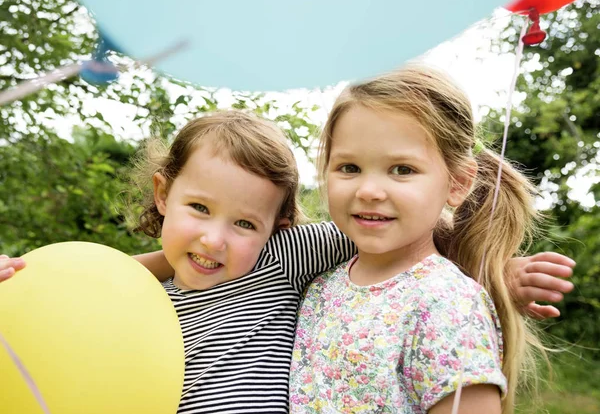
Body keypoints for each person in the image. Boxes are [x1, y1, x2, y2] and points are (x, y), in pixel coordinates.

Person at [0, 108, 574, 414]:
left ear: (277, 227)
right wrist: (33, 279)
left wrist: (494, 274)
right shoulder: (133, 305)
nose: (215, 241)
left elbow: (393, 234)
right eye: (198, 208)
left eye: (245, 223)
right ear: (161, 193)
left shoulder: (283, 258)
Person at [288, 65, 563, 414]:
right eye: (349, 168)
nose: (369, 190)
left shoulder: (449, 303)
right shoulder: (319, 285)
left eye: (402, 170)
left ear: (458, 183)